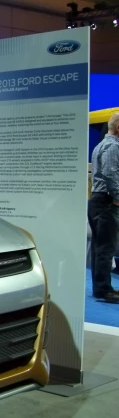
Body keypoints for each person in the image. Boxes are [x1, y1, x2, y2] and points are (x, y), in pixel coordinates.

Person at [88, 112, 119, 302]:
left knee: (100, 247)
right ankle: (104, 289)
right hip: (107, 201)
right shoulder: (114, 147)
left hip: (98, 201)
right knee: (106, 247)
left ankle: (100, 286)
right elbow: (110, 174)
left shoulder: (100, 145)